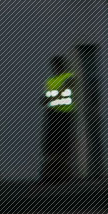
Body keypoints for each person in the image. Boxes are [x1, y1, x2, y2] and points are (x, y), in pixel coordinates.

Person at [40, 54, 77, 182]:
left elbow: (66, 89)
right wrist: (46, 100)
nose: (56, 67)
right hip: (52, 113)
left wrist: (50, 99)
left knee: (63, 142)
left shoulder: (69, 77)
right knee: (51, 142)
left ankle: (63, 170)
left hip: (64, 114)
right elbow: (47, 97)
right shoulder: (50, 81)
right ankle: (53, 170)